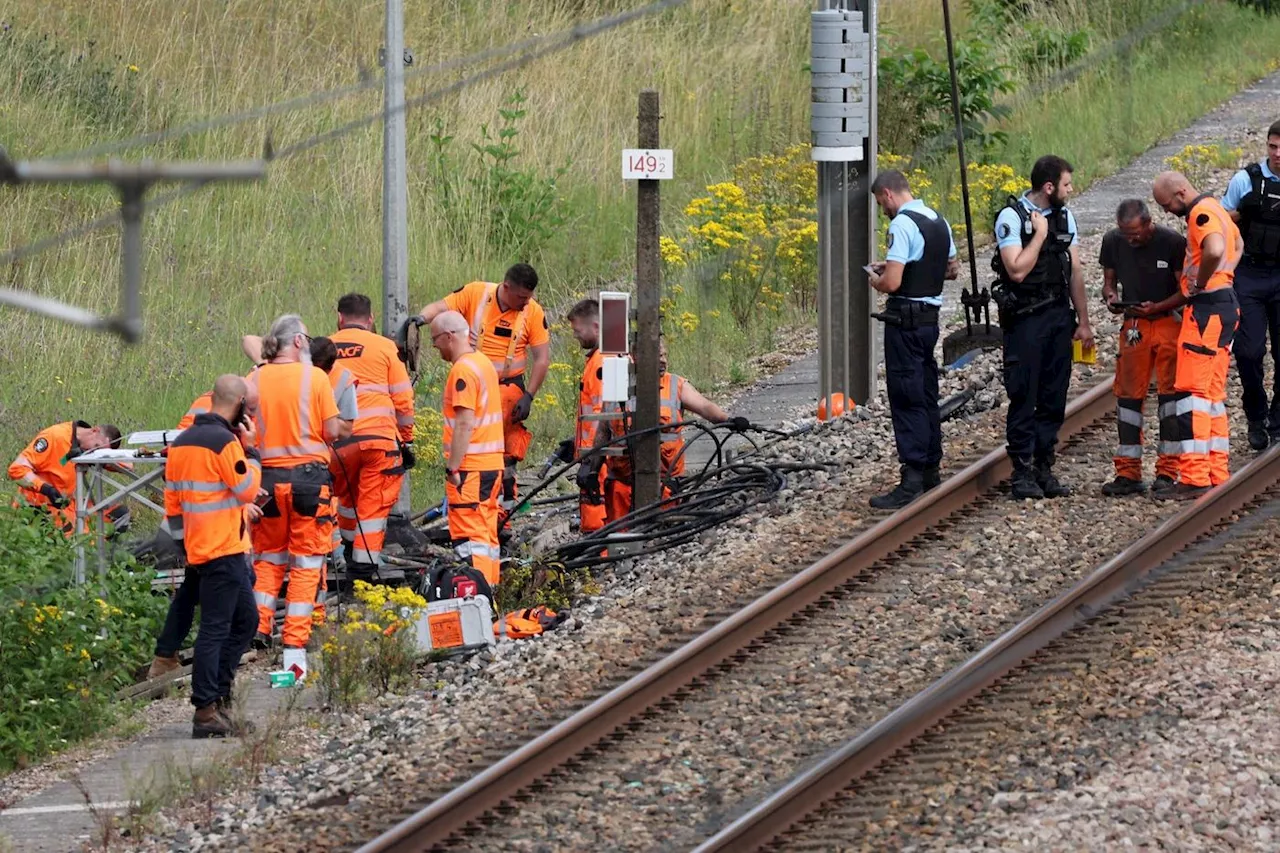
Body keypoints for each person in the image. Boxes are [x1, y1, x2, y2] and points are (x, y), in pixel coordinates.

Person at [162, 374, 262, 738]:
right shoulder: (226, 443)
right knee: (217, 629)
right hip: (222, 550)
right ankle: (206, 711)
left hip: (205, 549)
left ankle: (218, 697)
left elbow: (171, 503)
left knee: (245, 621)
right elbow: (246, 489)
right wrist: (251, 450)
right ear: (237, 405)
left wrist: (183, 546)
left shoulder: (182, 442)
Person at [992, 154, 1095, 499]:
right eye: (1066, 184)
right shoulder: (1013, 218)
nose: (1071, 189)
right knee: (1024, 394)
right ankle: (1021, 472)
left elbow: (1075, 271)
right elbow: (1017, 269)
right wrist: (1039, 235)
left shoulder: (1065, 217)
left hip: (1057, 316)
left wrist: (1083, 321)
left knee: (1053, 396)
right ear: (1049, 187)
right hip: (1025, 320)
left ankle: (1043, 467)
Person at [247, 315, 342, 680]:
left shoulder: (254, 378)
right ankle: (295, 641)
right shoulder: (315, 377)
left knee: (268, 558)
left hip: (267, 481)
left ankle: (258, 629)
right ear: (300, 342)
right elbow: (331, 429)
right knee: (305, 563)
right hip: (308, 481)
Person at [413, 264, 550, 509]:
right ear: (506, 287)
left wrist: (529, 395)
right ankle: (473, 501)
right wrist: (419, 321)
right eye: (521, 297)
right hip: (476, 386)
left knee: (507, 455)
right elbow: (440, 308)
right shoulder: (476, 293)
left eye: (529, 298)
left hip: (510, 390)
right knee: (473, 448)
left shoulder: (533, 312)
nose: (526, 303)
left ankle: (503, 514)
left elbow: (542, 358)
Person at [1141, 171, 1242, 499]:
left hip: (1206, 309)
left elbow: (1213, 249)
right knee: (1212, 396)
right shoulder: (1216, 208)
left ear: (1180, 193)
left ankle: (1195, 476)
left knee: (1192, 395)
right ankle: (1216, 470)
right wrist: (1224, 275)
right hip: (1225, 305)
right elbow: (1237, 244)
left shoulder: (1200, 215)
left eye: (1166, 204)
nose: (1166, 211)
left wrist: (1201, 281)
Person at [866, 169, 959, 509]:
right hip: (929, 321)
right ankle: (932, 466)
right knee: (926, 391)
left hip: (904, 321)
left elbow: (891, 284)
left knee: (906, 395)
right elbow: (951, 269)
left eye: (881, 204)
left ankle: (913, 475)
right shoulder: (938, 220)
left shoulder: (902, 225)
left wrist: (876, 279)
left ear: (889, 194)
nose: (883, 210)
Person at [588, 338, 743, 523]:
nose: (662, 360)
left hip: (664, 486)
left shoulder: (675, 385)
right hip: (622, 487)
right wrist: (591, 468)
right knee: (620, 541)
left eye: (664, 355)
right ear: (636, 357)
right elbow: (604, 432)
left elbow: (705, 407)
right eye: (656, 356)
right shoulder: (618, 384)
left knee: (663, 535)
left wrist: (729, 420)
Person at [1098, 199, 1186, 496]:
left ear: (1149, 224)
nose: (1130, 239)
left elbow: (1185, 290)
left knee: (1170, 396)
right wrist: (1111, 295)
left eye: (1135, 233)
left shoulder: (1173, 243)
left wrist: (1158, 306)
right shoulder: (1113, 241)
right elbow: (1108, 282)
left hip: (1166, 322)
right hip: (1134, 324)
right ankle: (1128, 472)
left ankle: (1168, 470)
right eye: (1125, 233)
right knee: (1127, 397)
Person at [328, 294, 415, 582]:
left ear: (340, 318)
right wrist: (406, 440)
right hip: (379, 442)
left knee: (346, 500)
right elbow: (403, 400)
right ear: (371, 318)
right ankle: (363, 571)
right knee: (372, 506)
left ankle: (350, 549)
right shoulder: (386, 347)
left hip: (338, 443)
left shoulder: (323, 348)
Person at [430, 310, 505, 586]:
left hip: (471, 469)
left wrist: (453, 466)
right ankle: (491, 593)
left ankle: (478, 600)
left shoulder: (462, 369)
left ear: (449, 337)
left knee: (470, 540)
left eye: (435, 340)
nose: (435, 347)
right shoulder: (482, 362)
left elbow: (464, 422)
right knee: (486, 537)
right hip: (491, 465)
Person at [1221, 120, 1280, 449]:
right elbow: (1221, 219)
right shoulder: (1247, 180)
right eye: (1273, 146)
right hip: (1251, 275)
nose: (1277, 153)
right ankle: (1256, 417)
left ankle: (1278, 418)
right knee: (1248, 351)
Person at [9, 420, 121, 531]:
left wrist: (103, 459)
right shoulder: (55, 436)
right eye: (96, 447)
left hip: (65, 505)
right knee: (84, 539)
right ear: (94, 431)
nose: (94, 452)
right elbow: (17, 468)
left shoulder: (85, 450)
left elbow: (128, 465)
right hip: (38, 508)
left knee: (118, 514)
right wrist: (45, 488)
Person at [566, 298, 607, 532]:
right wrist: (576, 445)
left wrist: (592, 459)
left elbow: (605, 415)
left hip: (599, 459)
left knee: (597, 519)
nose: (575, 336)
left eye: (578, 330)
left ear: (596, 327)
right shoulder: (596, 361)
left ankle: (600, 558)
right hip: (594, 454)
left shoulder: (602, 362)